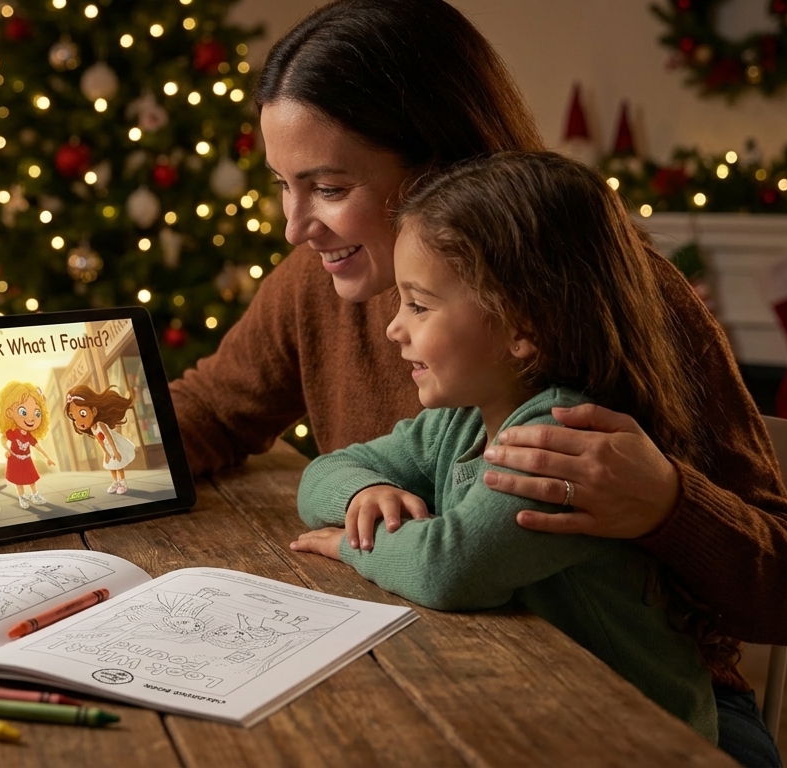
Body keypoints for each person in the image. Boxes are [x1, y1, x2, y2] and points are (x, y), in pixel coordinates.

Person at [164, 1, 787, 764]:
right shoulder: (320, 283)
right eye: (284, 184)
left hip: (646, 702)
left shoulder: (613, 301)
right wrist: (66, 460)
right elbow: (211, 409)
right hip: (441, 673)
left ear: (440, 169)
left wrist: (668, 506)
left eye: (330, 187)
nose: (294, 225)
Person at [291, 151, 721, 741]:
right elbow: (326, 471)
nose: (395, 327)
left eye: (419, 305)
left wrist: (352, 544)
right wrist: (366, 493)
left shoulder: (564, 443)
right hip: (531, 707)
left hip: (637, 738)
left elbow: (449, 568)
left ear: (522, 327)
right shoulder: (461, 421)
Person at [64, 385, 138, 494]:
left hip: (114, 445)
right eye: (74, 417)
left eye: (82, 413)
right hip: (108, 448)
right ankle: (115, 482)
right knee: (111, 465)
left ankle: (122, 482)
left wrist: (115, 451)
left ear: (94, 411)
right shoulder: (93, 429)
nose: (78, 422)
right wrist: (106, 453)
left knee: (119, 464)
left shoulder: (100, 425)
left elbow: (109, 438)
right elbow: (100, 441)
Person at [0, 381, 56, 509]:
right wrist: (7, 450)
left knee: (31, 479)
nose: (31, 418)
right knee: (19, 481)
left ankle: (35, 495)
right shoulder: (13, 432)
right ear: (10, 413)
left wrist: (48, 457)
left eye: (36, 413)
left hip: (27, 459)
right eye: (23, 412)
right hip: (15, 459)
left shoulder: (28, 435)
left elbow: (37, 446)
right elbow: (3, 439)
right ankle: (22, 497)